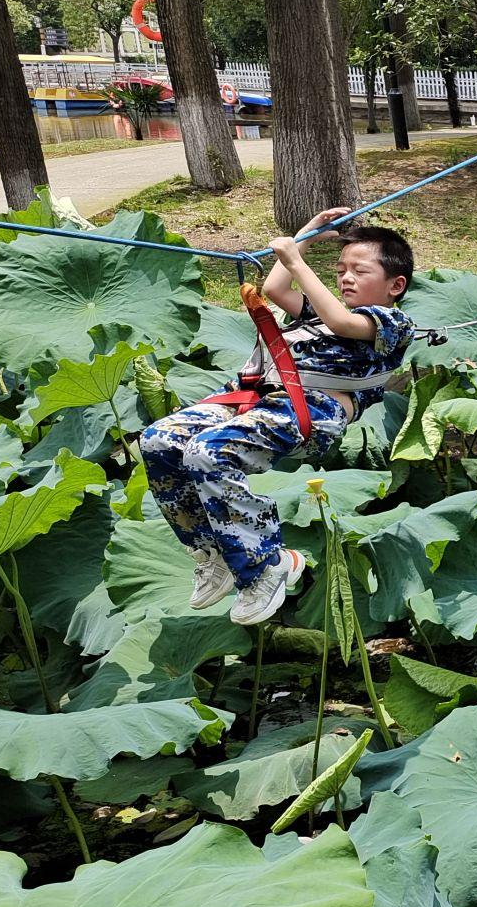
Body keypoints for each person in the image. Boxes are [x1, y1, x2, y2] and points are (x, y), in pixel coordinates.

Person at [140, 211, 414, 626]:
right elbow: (274, 287)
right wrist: (305, 234)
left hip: (311, 410)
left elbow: (342, 321)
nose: (346, 278)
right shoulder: (318, 317)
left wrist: (296, 261)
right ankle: (210, 551)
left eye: (360, 270)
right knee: (158, 439)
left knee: (208, 452)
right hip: (257, 398)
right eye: (340, 270)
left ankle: (268, 564)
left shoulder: (392, 322)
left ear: (396, 286)